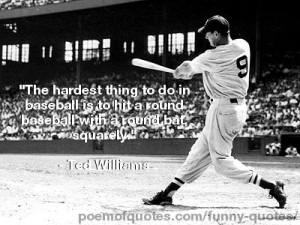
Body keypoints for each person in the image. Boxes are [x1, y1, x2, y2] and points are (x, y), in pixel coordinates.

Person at [142, 15, 287, 208]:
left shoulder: (212, 56)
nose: (206, 38)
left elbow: (187, 68)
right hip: (232, 108)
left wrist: (179, 72)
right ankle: (168, 193)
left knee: (221, 162)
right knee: (198, 152)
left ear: (217, 33)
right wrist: (189, 70)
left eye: (209, 34)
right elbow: (199, 68)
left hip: (223, 110)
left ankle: (271, 186)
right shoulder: (242, 45)